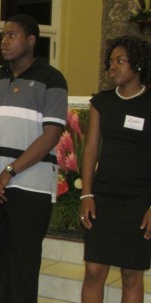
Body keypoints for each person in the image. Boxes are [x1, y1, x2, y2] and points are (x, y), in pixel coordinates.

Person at [0, 14, 68, 303]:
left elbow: (50, 136)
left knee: (23, 262)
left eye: (12, 35)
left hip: (31, 184)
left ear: (30, 40)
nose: (5, 40)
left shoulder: (51, 79)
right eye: (3, 35)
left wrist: (10, 171)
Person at [80, 36, 150, 303]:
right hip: (104, 197)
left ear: (138, 64)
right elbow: (90, 150)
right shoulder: (102, 102)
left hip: (140, 200)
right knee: (94, 270)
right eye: (110, 62)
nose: (113, 67)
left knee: (132, 273)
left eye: (120, 61)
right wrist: (87, 194)